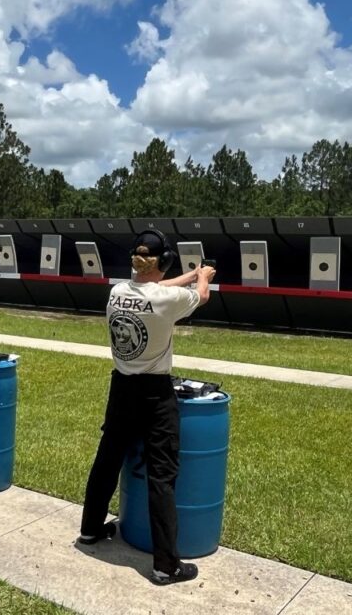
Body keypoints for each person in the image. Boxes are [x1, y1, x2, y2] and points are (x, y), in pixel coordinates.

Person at [78, 229, 216, 586]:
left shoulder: (117, 292)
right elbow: (200, 296)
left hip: (121, 387)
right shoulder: (166, 300)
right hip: (155, 394)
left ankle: (90, 529)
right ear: (165, 261)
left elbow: (154, 287)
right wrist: (202, 277)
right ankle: (165, 565)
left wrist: (190, 274)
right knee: (162, 475)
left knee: (108, 459)